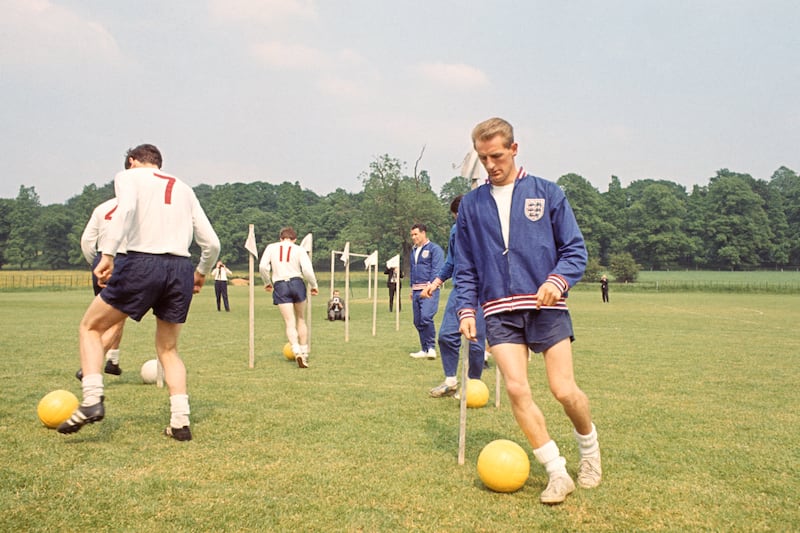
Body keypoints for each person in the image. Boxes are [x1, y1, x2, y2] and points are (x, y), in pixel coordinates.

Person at [454, 118, 601, 504]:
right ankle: (557, 472)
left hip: (545, 306)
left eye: (497, 155)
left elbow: (574, 251)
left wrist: (556, 281)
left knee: (564, 390)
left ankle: (590, 453)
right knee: (518, 390)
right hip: (499, 311)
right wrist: (466, 309)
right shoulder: (471, 206)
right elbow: (466, 264)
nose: (490, 164)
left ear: (514, 150)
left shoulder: (548, 193)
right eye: (484, 158)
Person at [58, 144, 220, 442]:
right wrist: (201, 272)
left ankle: (92, 398)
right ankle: (180, 422)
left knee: (91, 327)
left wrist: (107, 254)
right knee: (168, 349)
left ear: (132, 161)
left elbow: (126, 211)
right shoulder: (183, 187)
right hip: (181, 268)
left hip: (142, 263)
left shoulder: (127, 177)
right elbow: (212, 243)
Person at [421, 194, 486, 397]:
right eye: (455, 217)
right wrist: (435, 283)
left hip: (482, 292)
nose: (457, 220)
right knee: (446, 336)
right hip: (459, 290)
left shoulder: (487, 229)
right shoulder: (455, 231)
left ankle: (473, 384)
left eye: (458, 215)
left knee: (475, 342)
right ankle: (450, 381)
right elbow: (451, 262)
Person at [75, 197, 128, 381]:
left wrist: (96, 263)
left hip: (101, 258)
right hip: (125, 260)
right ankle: (89, 367)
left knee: (108, 315)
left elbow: (87, 241)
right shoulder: (139, 206)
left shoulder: (102, 207)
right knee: (118, 317)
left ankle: (113, 362)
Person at [259, 227, 319, 368]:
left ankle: (296, 350)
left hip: (280, 284)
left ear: (280, 238)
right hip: (297, 283)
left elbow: (263, 266)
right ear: (295, 239)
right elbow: (307, 270)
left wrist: (267, 282)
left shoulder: (271, 247)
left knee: (289, 321)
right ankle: (304, 352)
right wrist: (314, 285)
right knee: (301, 318)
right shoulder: (299, 249)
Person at [408, 223, 444, 359]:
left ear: (423, 233)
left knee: (426, 317)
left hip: (429, 289)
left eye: (416, 234)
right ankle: (423, 349)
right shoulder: (413, 251)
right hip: (416, 290)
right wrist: (412, 288)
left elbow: (437, 269)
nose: (414, 237)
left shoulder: (434, 249)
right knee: (417, 321)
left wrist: (431, 286)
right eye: (412, 235)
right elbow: (412, 270)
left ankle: (431, 348)